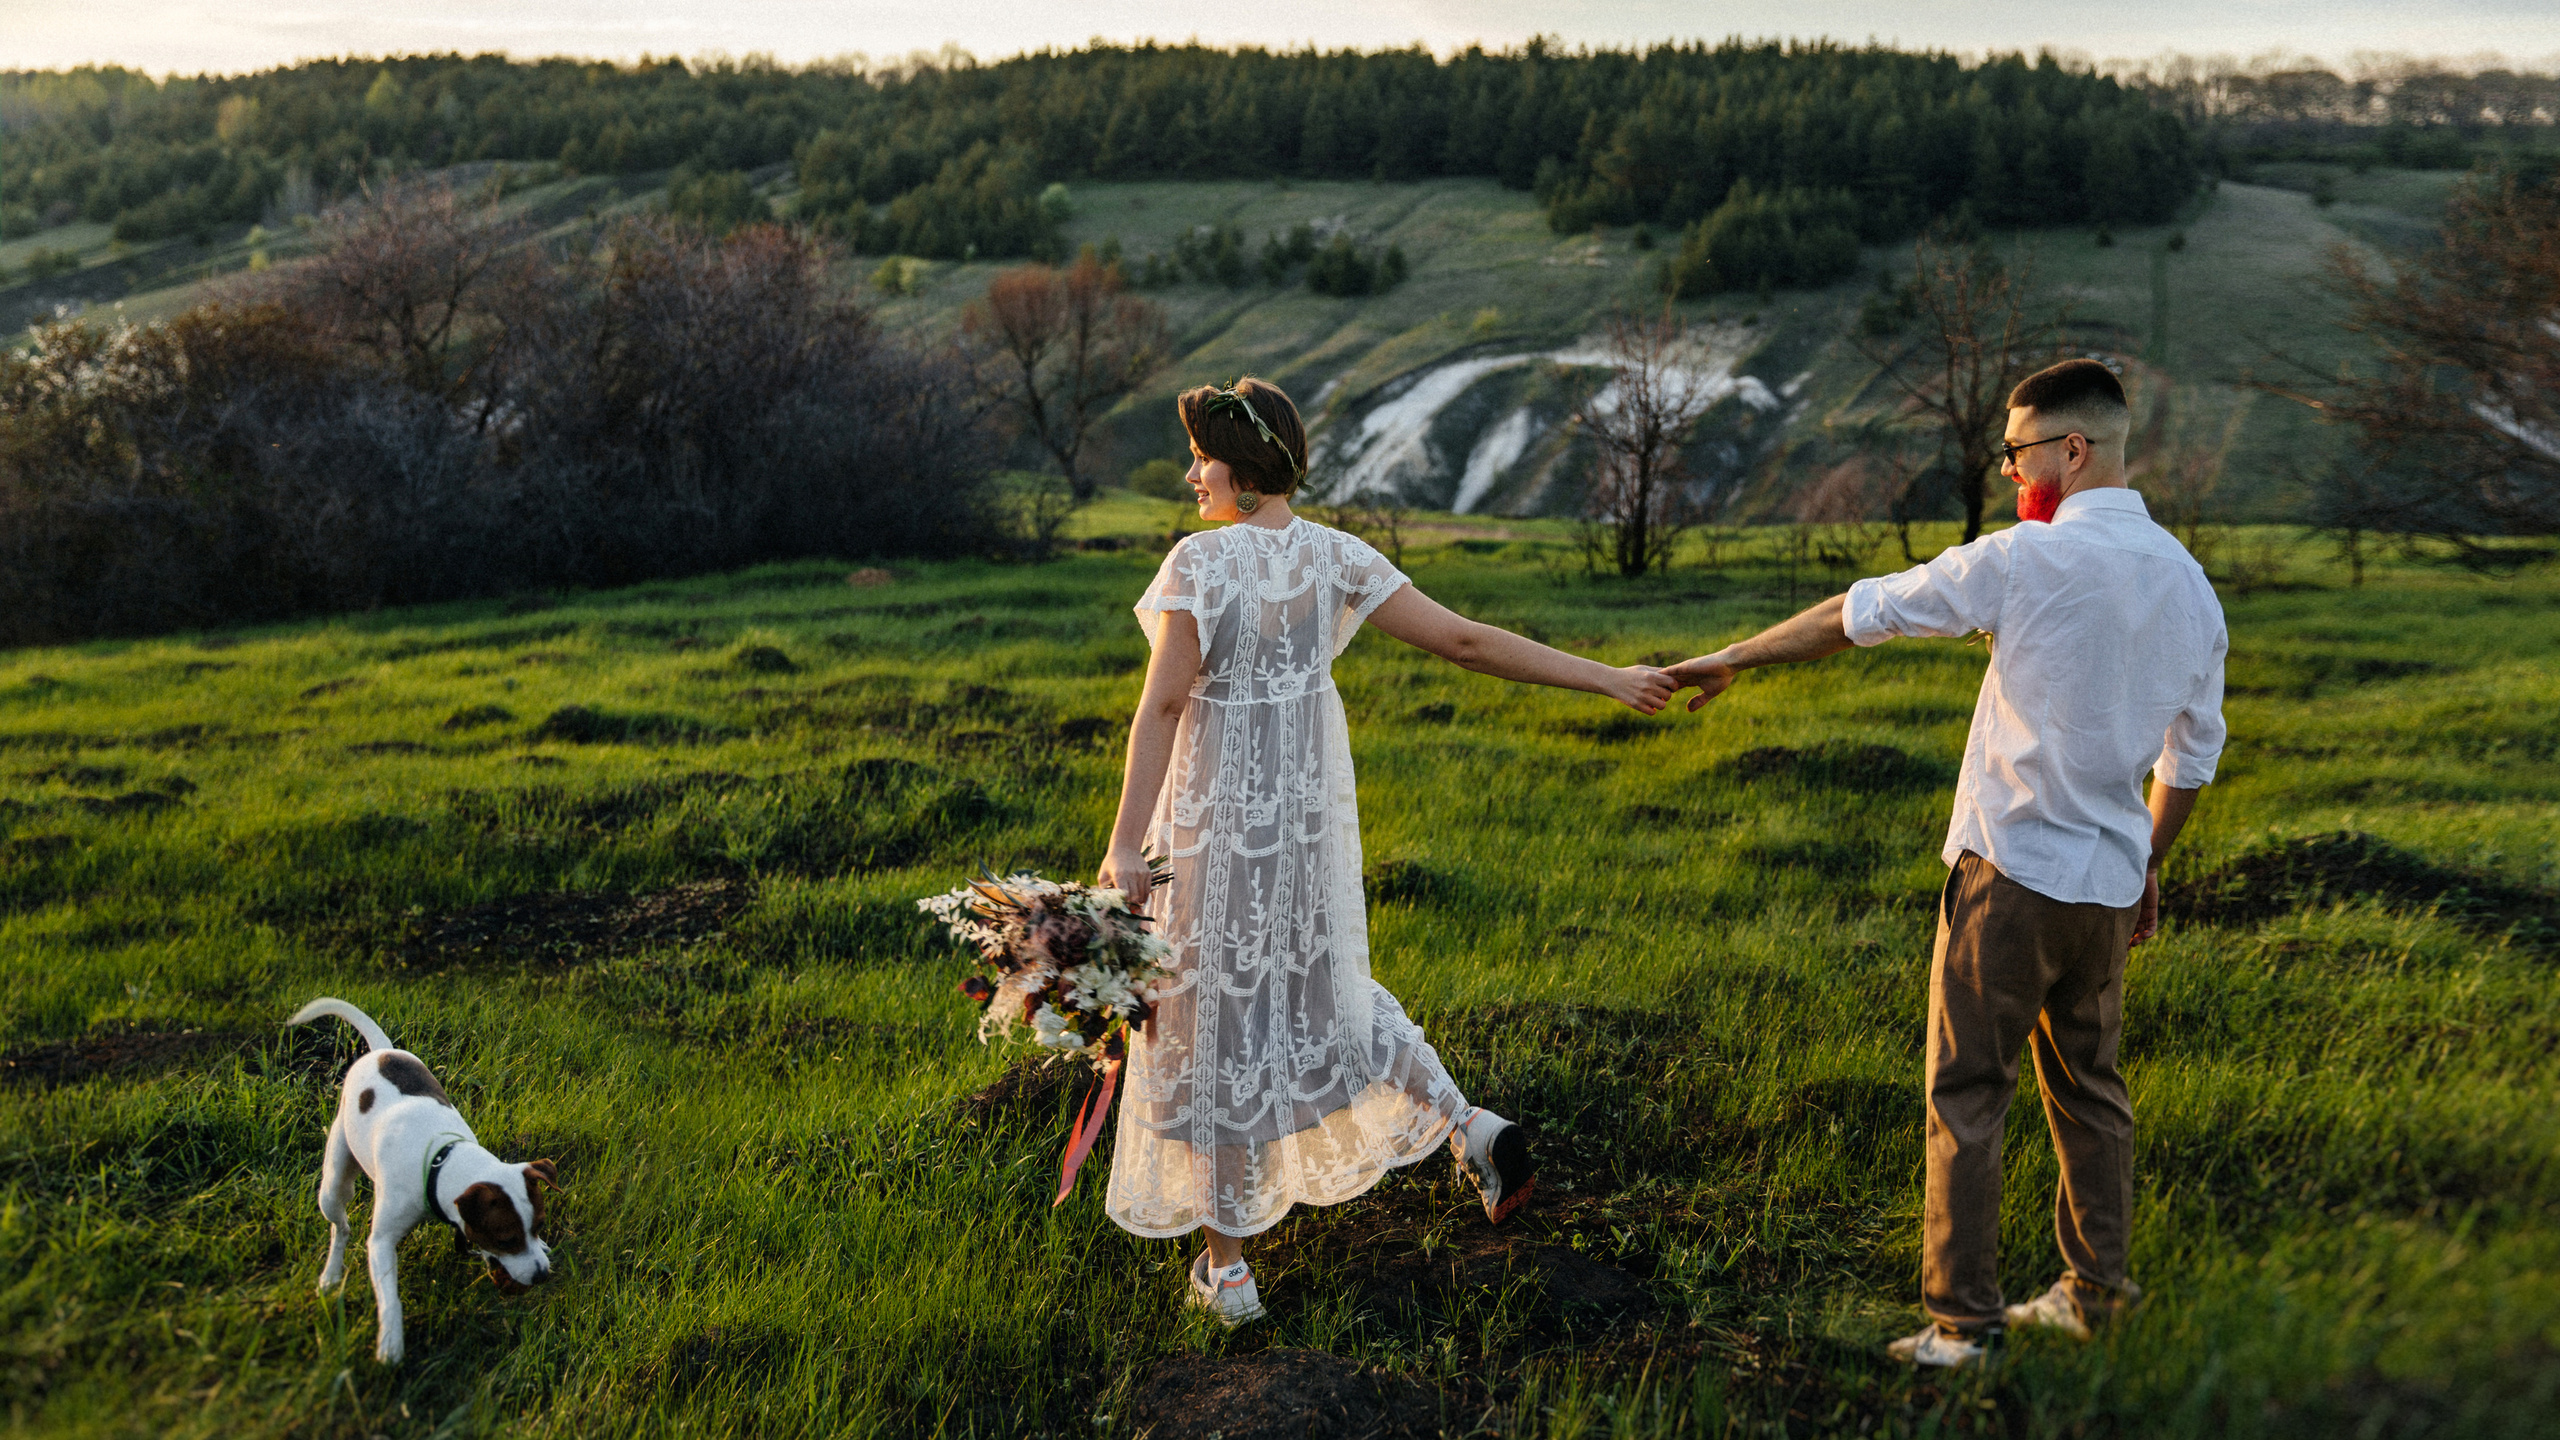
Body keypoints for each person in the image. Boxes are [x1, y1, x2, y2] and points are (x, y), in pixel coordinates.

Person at [1662, 359, 2228, 1366]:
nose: (2010, 475)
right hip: (2105, 884)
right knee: (2092, 1092)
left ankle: (1961, 1328)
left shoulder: (2020, 560)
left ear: (2072, 449)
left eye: (2015, 454)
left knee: (1967, 1093)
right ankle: (2096, 1294)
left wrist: (1732, 659)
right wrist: (2146, 861)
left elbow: (1857, 613)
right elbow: (2193, 755)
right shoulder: (2188, 584)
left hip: (2007, 874)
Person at [1095, 376, 1676, 1325]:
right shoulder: (1337, 558)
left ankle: (1229, 1271)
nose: (1190, 473)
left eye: (1201, 457)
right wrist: (1610, 679)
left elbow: (1162, 705)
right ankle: (1469, 1126)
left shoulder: (1200, 564)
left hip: (1210, 832)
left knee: (1210, 1019)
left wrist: (1124, 848)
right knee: (1328, 989)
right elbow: (1468, 642)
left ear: (1240, 471)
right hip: (1306, 829)